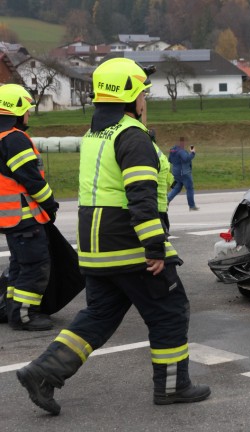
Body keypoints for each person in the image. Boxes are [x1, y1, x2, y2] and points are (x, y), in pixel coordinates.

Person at [16, 58, 210, 416]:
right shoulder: (131, 136)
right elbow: (139, 196)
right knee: (169, 310)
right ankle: (172, 386)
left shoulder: (96, 133)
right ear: (133, 96)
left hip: (95, 246)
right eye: (144, 93)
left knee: (99, 315)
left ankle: (43, 372)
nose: (146, 100)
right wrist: (155, 248)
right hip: (128, 244)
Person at [0, 84, 58, 331]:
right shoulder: (15, 139)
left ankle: (10, 308)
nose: (29, 115)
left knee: (19, 265)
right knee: (34, 265)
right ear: (17, 111)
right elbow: (31, 179)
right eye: (27, 110)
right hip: (25, 218)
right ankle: (24, 315)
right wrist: (50, 203)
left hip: (9, 219)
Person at [167, 137, 199, 210]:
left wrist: (177, 163)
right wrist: (193, 153)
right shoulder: (181, 151)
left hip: (176, 172)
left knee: (177, 188)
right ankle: (192, 206)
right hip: (184, 173)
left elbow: (170, 160)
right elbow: (186, 159)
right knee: (190, 188)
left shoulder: (172, 150)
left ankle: (166, 200)